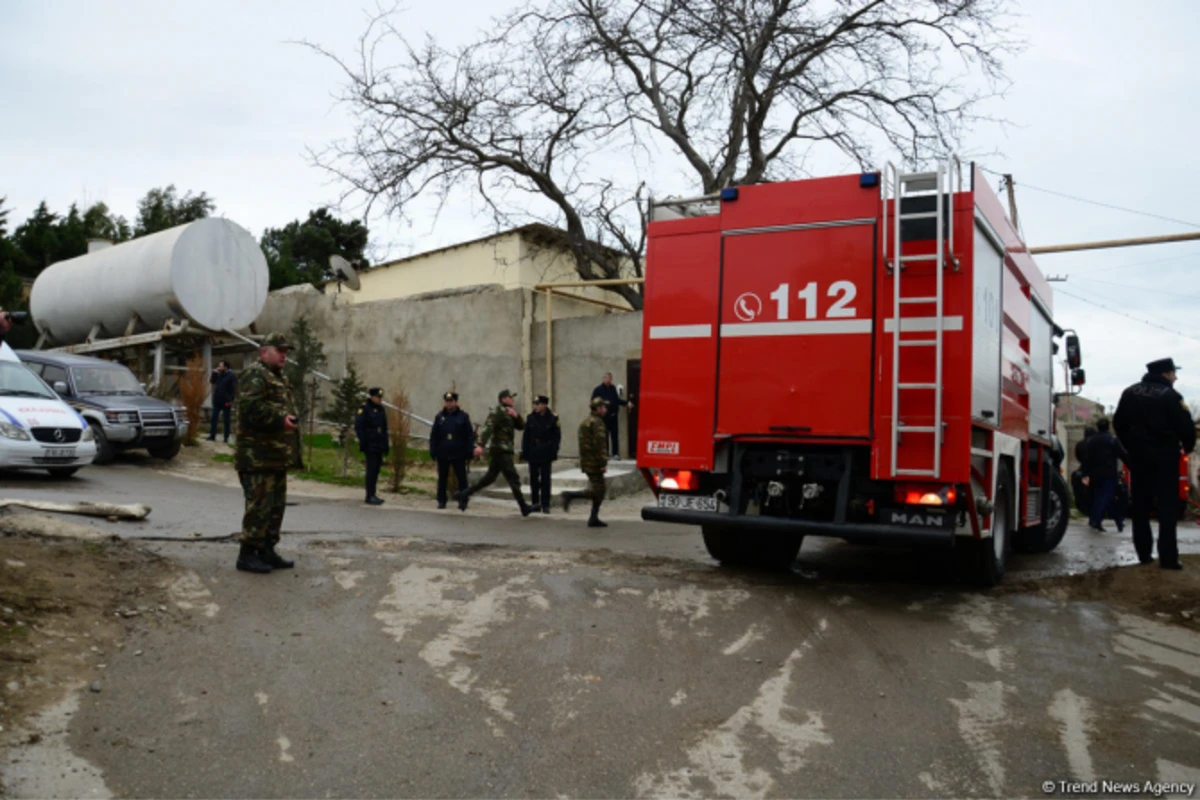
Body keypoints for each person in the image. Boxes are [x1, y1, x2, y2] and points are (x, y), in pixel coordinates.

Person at [1113, 357, 1196, 570]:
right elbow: (1186, 426)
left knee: (1140, 506)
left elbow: (1118, 422)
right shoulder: (1170, 396)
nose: (1175, 377)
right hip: (1165, 457)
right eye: (1173, 373)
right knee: (1167, 508)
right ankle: (1167, 558)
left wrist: (1130, 446)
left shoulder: (1129, 392)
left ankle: (1143, 554)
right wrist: (1186, 447)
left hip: (1139, 456)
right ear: (1165, 374)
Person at [234, 333, 299, 574]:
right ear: (264, 352)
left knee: (275, 506)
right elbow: (251, 408)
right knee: (259, 505)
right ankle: (247, 554)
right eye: (279, 350)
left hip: (275, 456)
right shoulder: (255, 374)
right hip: (256, 457)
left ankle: (267, 550)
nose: (284, 354)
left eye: (286, 350)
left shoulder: (277, 377)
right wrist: (280, 418)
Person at [455, 389, 532, 516]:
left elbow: (522, 426)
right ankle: (524, 507)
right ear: (502, 399)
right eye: (509, 397)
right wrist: (480, 445)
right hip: (501, 450)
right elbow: (488, 427)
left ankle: (464, 494)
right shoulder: (497, 411)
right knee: (513, 478)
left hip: (504, 450)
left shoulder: (509, 412)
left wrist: (516, 415)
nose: (512, 399)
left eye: (512, 397)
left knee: (489, 478)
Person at [561, 397, 609, 527]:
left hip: (587, 461)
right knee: (599, 490)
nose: (605, 409)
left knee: (599, 489)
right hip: (594, 463)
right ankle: (570, 495)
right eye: (604, 407)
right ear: (598, 409)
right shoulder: (597, 423)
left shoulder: (585, 422)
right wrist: (602, 463)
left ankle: (593, 517)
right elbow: (600, 445)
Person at [430, 391, 474, 509]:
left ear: (455, 402)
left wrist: (469, 450)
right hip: (443, 452)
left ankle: (463, 500)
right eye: (447, 402)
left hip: (458, 452)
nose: (449, 404)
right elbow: (434, 435)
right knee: (442, 478)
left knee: (462, 478)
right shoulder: (439, 417)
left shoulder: (463, 417)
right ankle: (441, 500)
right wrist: (433, 450)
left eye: (451, 402)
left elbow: (469, 435)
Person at [1083, 418, 1125, 533]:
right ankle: (1097, 520)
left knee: (1103, 498)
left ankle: (1118, 522)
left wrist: (1085, 474)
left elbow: (1086, 459)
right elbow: (1122, 454)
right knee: (1106, 497)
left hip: (1095, 474)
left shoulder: (1091, 441)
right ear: (1108, 427)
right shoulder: (1112, 440)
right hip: (1109, 474)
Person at [521, 395, 561, 514]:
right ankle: (535, 503)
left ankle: (545, 504)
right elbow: (526, 436)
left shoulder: (553, 418)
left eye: (538, 404)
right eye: (535, 404)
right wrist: (525, 451)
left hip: (546, 451)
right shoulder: (530, 418)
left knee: (545, 479)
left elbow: (556, 437)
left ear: (544, 405)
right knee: (534, 479)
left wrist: (554, 452)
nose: (536, 406)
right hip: (533, 451)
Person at [355, 387, 389, 506]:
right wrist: (363, 442)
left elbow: (384, 428)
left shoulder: (380, 409)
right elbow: (359, 426)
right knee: (371, 469)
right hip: (370, 444)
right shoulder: (364, 408)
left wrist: (386, 445)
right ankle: (369, 495)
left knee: (376, 470)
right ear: (372, 397)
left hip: (379, 443)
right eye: (378, 397)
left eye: (381, 397)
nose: (380, 399)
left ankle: (373, 493)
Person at [591, 372, 633, 460]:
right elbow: (592, 402)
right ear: (604, 378)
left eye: (611, 379)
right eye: (608, 378)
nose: (610, 380)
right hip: (604, 417)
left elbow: (616, 400)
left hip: (613, 416)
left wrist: (626, 403)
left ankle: (615, 454)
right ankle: (605, 454)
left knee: (615, 436)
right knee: (604, 435)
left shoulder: (613, 388)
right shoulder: (598, 390)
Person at [208, 360, 237, 443]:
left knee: (226, 420)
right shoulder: (219, 374)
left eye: (220, 366)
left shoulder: (231, 376)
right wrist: (214, 373)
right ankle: (212, 435)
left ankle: (226, 437)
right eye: (219, 366)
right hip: (217, 400)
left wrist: (231, 400)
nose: (219, 367)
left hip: (226, 401)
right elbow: (212, 381)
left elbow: (233, 389)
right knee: (214, 418)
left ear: (226, 367)